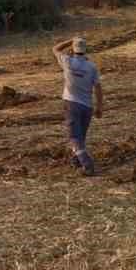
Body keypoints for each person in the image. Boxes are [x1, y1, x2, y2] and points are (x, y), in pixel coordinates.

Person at [53, 34, 104, 176]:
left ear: (73, 49)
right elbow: (98, 88)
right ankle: (76, 161)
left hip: (72, 104)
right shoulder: (92, 67)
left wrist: (71, 39)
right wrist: (99, 107)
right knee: (80, 136)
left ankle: (87, 164)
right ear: (86, 49)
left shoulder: (67, 61)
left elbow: (55, 48)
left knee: (74, 137)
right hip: (87, 106)